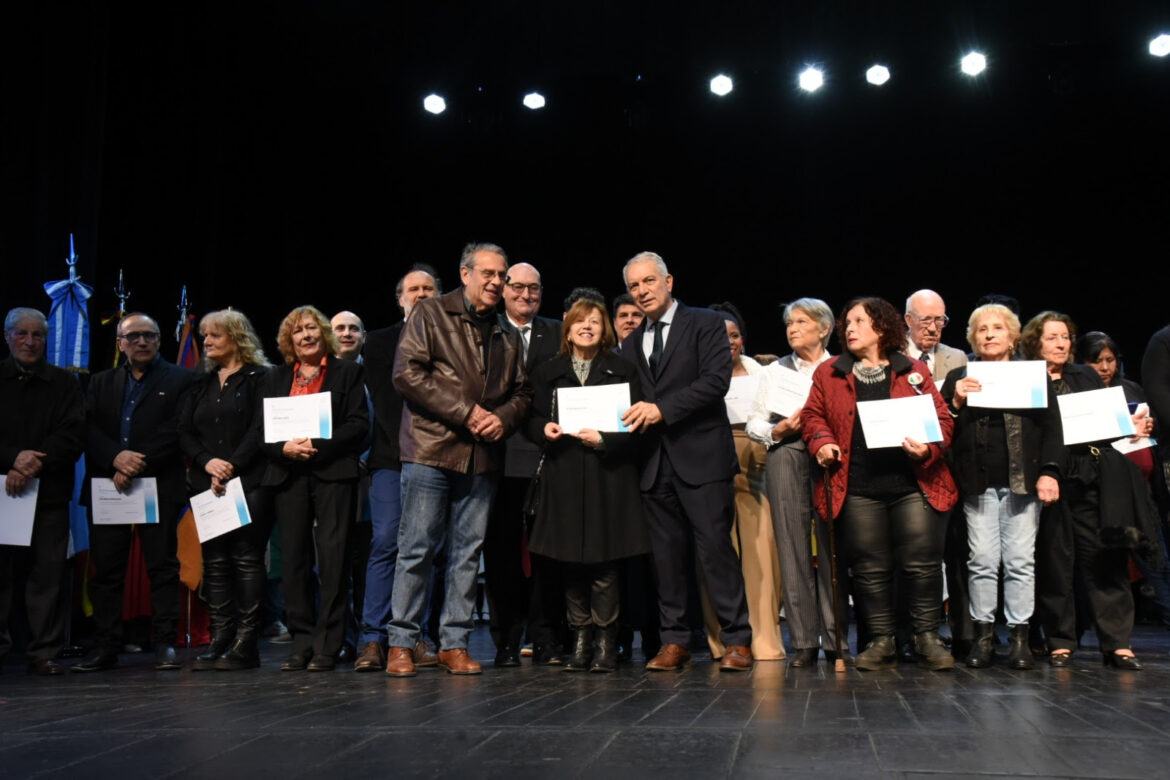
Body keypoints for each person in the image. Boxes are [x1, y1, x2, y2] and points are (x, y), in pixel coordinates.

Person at [385, 242, 531, 677]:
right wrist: (467, 413)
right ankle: (401, 643)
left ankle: (454, 643)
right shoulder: (430, 313)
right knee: (416, 549)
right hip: (430, 450)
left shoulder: (506, 331)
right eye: (487, 273)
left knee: (467, 553)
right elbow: (407, 374)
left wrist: (501, 420)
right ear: (465, 274)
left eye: (500, 275)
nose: (495, 282)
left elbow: (523, 393)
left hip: (482, 455)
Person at [802, 297, 957, 671]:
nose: (849, 328)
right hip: (858, 487)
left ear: (882, 328)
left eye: (859, 321)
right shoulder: (830, 372)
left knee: (922, 566)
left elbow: (943, 421)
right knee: (870, 569)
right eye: (847, 322)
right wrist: (822, 442)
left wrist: (928, 448)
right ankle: (881, 640)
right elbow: (812, 415)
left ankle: (927, 638)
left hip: (911, 485)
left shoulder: (914, 370)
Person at [618, 251, 753, 672]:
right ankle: (673, 641)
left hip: (702, 458)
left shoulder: (705, 324)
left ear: (669, 281)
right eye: (634, 285)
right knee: (665, 558)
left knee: (715, 550)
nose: (641, 291)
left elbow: (715, 382)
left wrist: (662, 410)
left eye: (648, 282)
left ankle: (737, 640)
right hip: (653, 463)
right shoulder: (630, 342)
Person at [1023, 311, 1153, 669]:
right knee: (1055, 563)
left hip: (1090, 476)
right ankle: (1061, 640)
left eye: (1065, 336)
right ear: (1035, 342)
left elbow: (1105, 426)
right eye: (1052, 337)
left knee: (1105, 559)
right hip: (1047, 481)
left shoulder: (1086, 375)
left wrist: (1130, 426)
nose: (1062, 343)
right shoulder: (1027, 380)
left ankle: (1117, 642)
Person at [525, 299, 649, 672]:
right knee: (569, 563)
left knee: (604, 563)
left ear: (605, 329)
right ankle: (580, 640)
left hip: (607, 477)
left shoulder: (622, 370)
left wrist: (607, 440)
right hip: (562, 475)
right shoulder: (548, 371)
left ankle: (606, 643)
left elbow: (637, 426)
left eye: (595, 321)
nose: (587, 327)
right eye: (580, 321)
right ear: (568, 328)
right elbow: (530, 418)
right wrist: (540, 430)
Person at [74, 312, 199, 672]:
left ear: (160, 341)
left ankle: (164, 645)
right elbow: (87, 428)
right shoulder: (99, 382)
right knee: (107, 572)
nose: (142, 342)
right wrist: (116, 458)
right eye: (133, 336)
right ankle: (105, 647)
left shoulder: (182, 380)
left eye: (149, 335)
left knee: (162, 568)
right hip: (109, 485)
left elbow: (179, 430)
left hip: (156, 484)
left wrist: (135, 462)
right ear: (120, 343)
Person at [942, 304, 1061, 669]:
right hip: (976, 486)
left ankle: (1020, 638)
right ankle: (983, 638)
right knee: (981, 561)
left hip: (1022, 483)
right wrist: (956, 401)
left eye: (997, 328)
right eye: (981, 329)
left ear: (1012, 337)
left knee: (1021, 562)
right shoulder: (958, 377)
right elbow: (943, 432)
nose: (989, 334)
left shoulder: (1032, 377)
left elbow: (1052, 429)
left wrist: (1050, 472)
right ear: (973, 339)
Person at [259, 306, 368, 672]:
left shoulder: (348, 372)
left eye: (311, 329)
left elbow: (358, 425)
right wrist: (285, 448)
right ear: (288, 341)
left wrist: (316, 445)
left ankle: (329, 644)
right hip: (288, 474)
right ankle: (301, 640)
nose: (305, 336)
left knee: (334, 562)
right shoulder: (275, 378)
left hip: (333, 473)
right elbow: (262, 430)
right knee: (294, 561)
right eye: (297, 331)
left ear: (324, 334)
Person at [746, 297, 846, 667]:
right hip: (786, 451)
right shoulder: (774, 371)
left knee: (833, 546)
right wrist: (777, 429)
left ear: (824, 328)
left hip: (830, 457)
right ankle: (804, 641)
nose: (792, 329)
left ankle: (837, 640)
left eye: (802, 322)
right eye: (789, 323)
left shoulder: (840, 368)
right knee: (792, 544)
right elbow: (754, 422)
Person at [353, 264, 441, 673]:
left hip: (436, 457)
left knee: (423, 547)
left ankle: (416, 636)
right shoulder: (381, 341)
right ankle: (372, 638)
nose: (421, 294)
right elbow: (388, 406)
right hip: (392, 456)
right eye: (413, 289)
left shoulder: (451, 340)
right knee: (387, 540)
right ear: (400, 298)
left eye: (429, 288)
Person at [178, 309, 273, 670]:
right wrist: (207, 462)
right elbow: (184, 432)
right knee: (215, 562)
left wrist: (231, 464)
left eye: (215, 335)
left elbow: (262, 427)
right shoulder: (199, 384)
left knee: (247, 559)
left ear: (236, 337)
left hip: (250, 481)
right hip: (208, 485)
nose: (207, 342)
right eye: (204, 336)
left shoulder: (261, 378)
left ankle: (246, 643)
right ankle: (220, 638)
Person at [485, 262, 563, 667]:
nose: (525, 295)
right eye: (517, 287)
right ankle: (506, 640)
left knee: (547, 551)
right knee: (500, 553)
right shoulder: (486, 328)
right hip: (495, 453)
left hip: (547, 453)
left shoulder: (559, 331)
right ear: (504, 290)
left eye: (534, 289)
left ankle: (547, 637)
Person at [0, 308, 85, 676]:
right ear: (7, 336)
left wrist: (33, 463)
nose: (30, 342)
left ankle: (44, 651)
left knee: (47, 576)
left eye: (37, 335)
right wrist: (12, 459)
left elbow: (74, 433)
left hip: (49, 493)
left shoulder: (65, 383)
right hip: (1, 490)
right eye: (22, 334)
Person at [704, 302, 784, 661]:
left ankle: (765, 639)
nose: (729, 342)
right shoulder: (698, 376)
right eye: (720, 336)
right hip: (708, 463)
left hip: (756, 464)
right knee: (718, 553)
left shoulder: (764, 375)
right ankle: (723, 641)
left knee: (761, 553)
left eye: (734, 335)